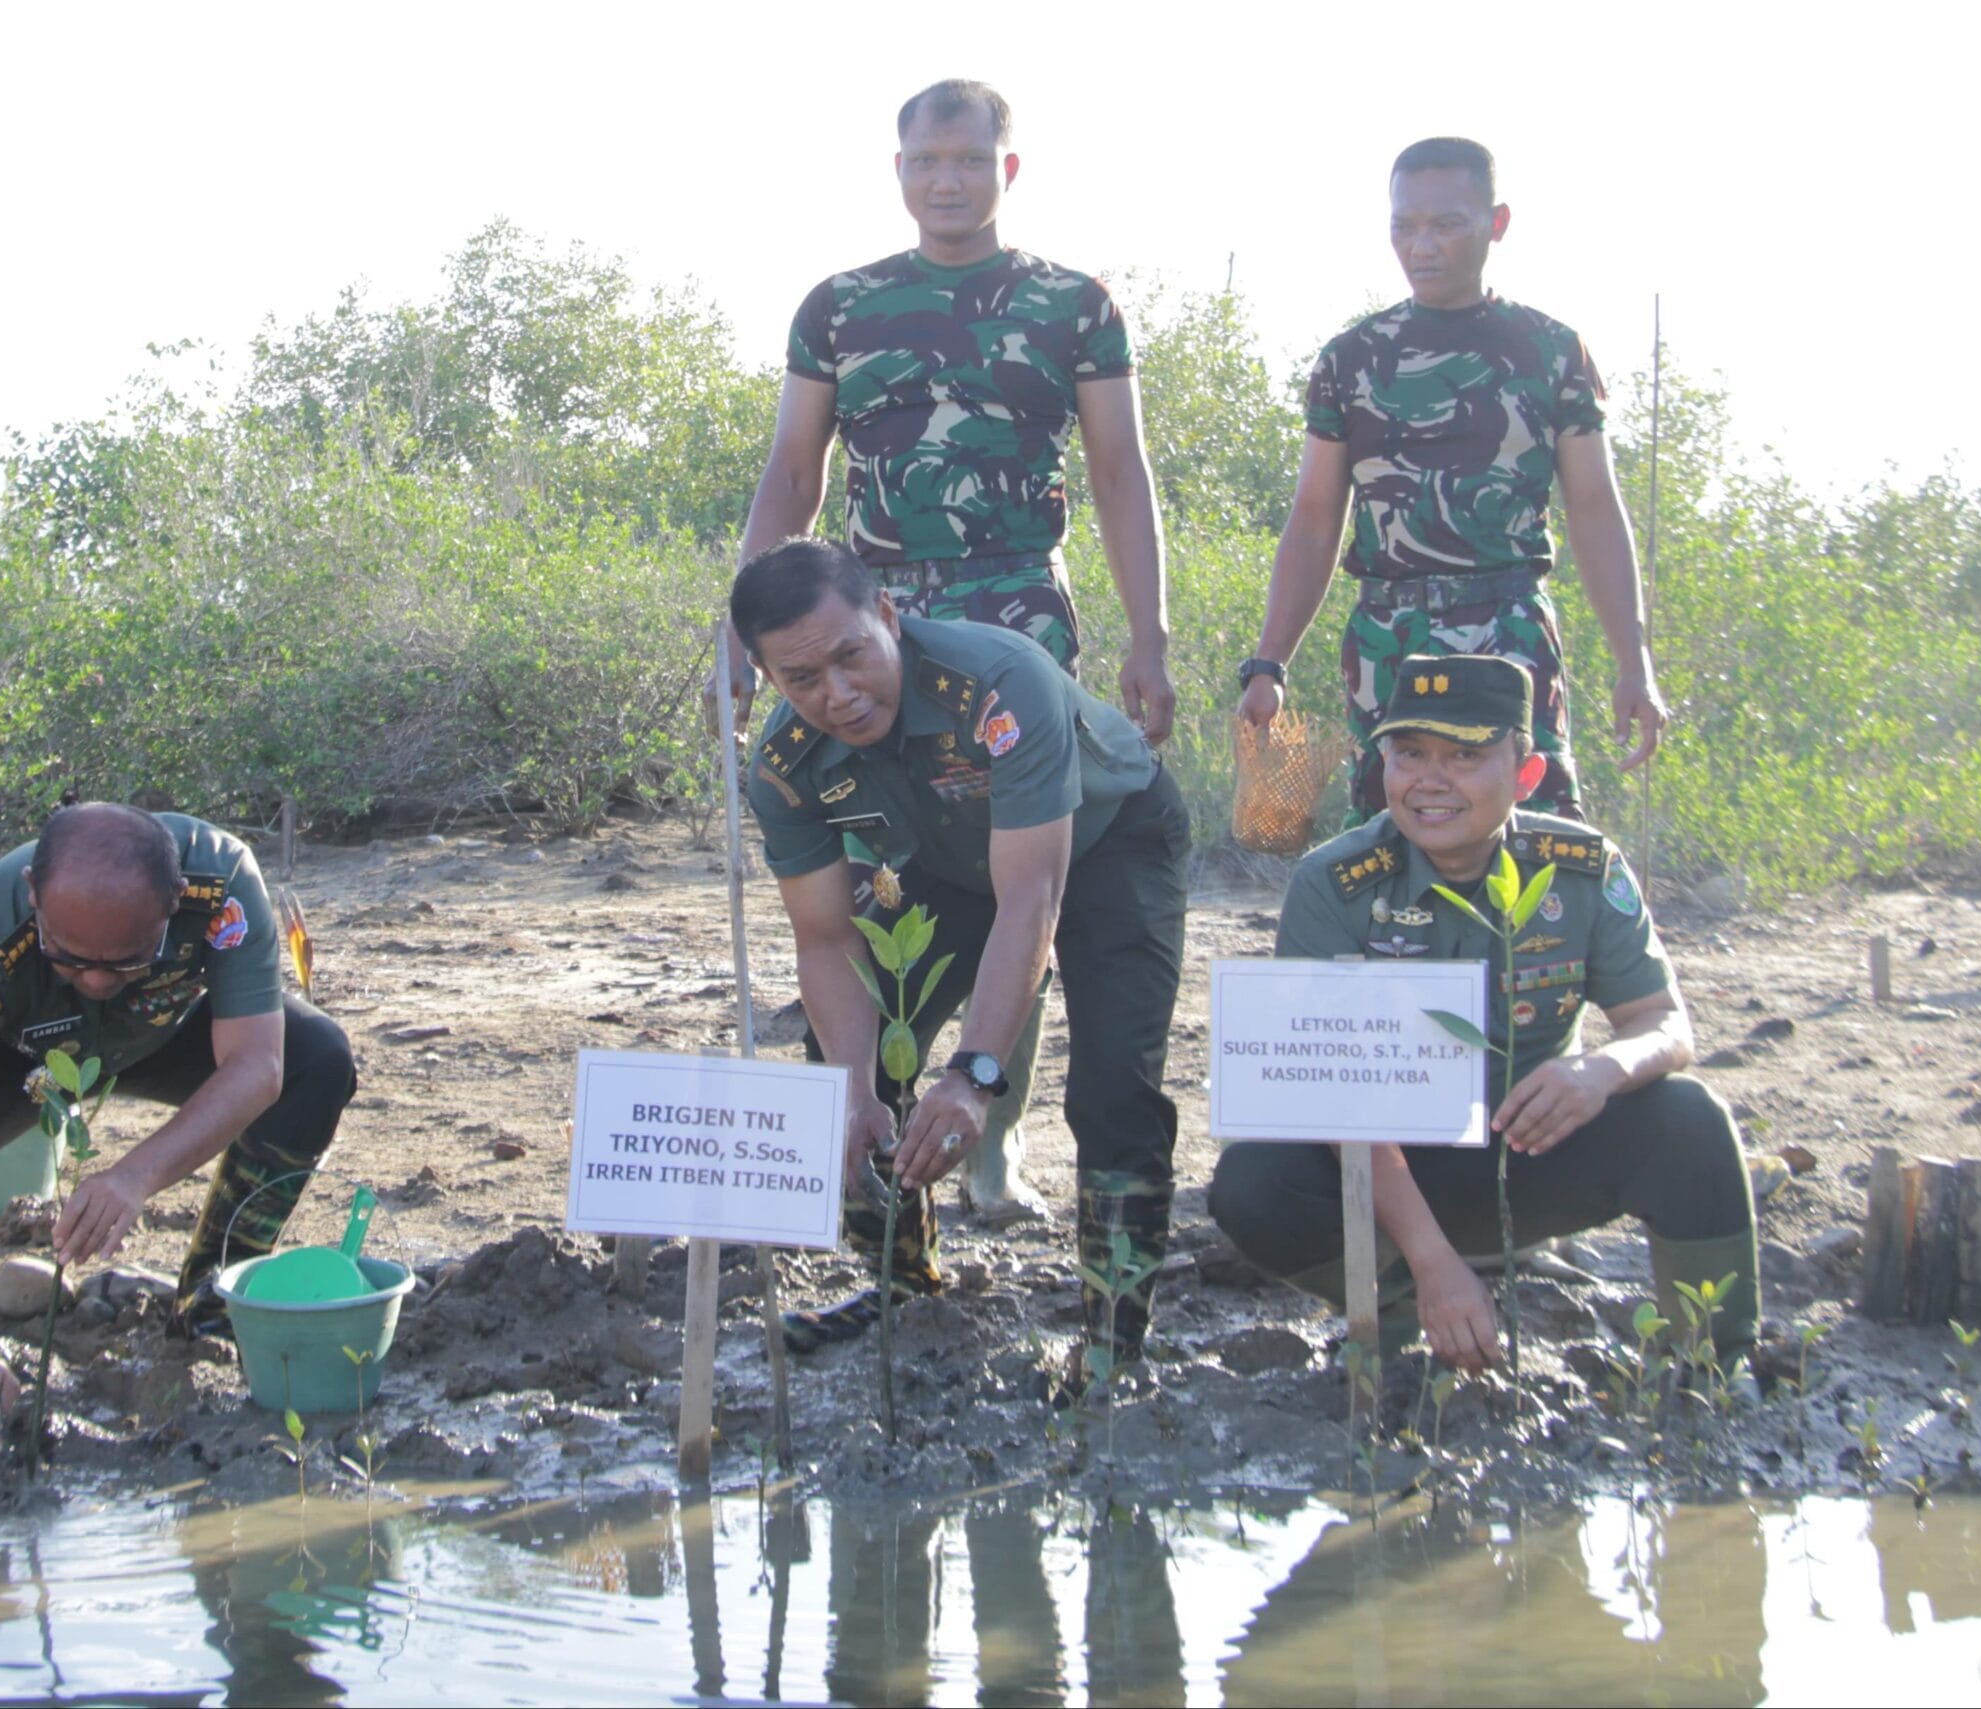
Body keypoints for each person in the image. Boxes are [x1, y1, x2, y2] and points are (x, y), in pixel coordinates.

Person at [732, 76, 1177, 1224]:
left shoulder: (1073, 305)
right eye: (927, 161)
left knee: (1023, 876)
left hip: (1019, 621)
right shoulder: (839, 307)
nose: (948, 180)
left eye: (970, 161)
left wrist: (1149, 632)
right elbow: (793, 469)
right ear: (899, 170)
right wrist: (747, 631)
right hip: (862, 627)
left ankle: (995, 1132)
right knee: (904, 888)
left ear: (1005, 170)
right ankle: (874, 1109)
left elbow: (1120, 470)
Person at [1207, 654, 1756, 1371]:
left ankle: (1711, 1366)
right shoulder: (1335, 884)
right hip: (1393, 1173)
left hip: (1531, 1154)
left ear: (1525, 774)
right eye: (1410, 754)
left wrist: (1598, 1071)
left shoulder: (1581, 869)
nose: (1431, 780)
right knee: (1254, 1180)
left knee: (1692, 1122)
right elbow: (1332, 1098)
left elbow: (1664, 1022)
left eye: (1464, 756)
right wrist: (1434, 1264)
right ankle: (1408, 1312)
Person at [735, 539, 1188, 1383]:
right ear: (769, 679)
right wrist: (857, 1090)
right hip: (951, 861)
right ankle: (902, 1283)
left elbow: (1032, 900)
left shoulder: (996, 683)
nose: (837, 693)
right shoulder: (783, 766)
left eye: (852, 656)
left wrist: (975, 1076)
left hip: (1111, 839)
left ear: (891, 619)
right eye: (802, 679)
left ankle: (1114, 1336)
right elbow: (826, 939)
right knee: (851, 1059)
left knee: (1113, 1087)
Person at [0, 803, 355, 1470]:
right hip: (21, 1054)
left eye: (124, 960)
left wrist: (133, 1176)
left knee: (318, 1060)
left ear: (173, 905)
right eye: (69, 958)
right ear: (35, 895)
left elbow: (258, 1068)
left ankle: (211, 1301)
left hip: (164, 1029)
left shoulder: (222, 884)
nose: (94, 980)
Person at [1236, 137, 1666, 822]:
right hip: (1390, 638)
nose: (1422, 246)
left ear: (1497, 224)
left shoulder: (1551, 351)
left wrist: (1632, 662)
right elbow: (1316, 519)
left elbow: (1593, 508)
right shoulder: (1352, 361)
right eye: (1404, 226)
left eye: (1446, 225)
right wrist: (1268, 664)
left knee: (1532, 832)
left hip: (1510, 629)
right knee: (1391, 839)